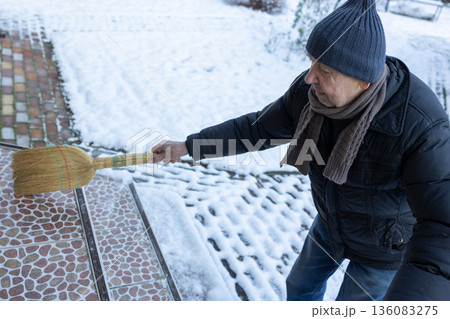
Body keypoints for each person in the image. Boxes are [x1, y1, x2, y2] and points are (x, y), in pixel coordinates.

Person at [149, 0, 450, 301]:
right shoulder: (310, 97)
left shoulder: (420, 125)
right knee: (299, 287)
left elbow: (442, 225)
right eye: (311, 61)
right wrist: (189, 146)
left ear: (363, 81)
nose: (309, 77)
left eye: (325, 70)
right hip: (331, 223)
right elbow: (255, 130)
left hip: (385, 247)